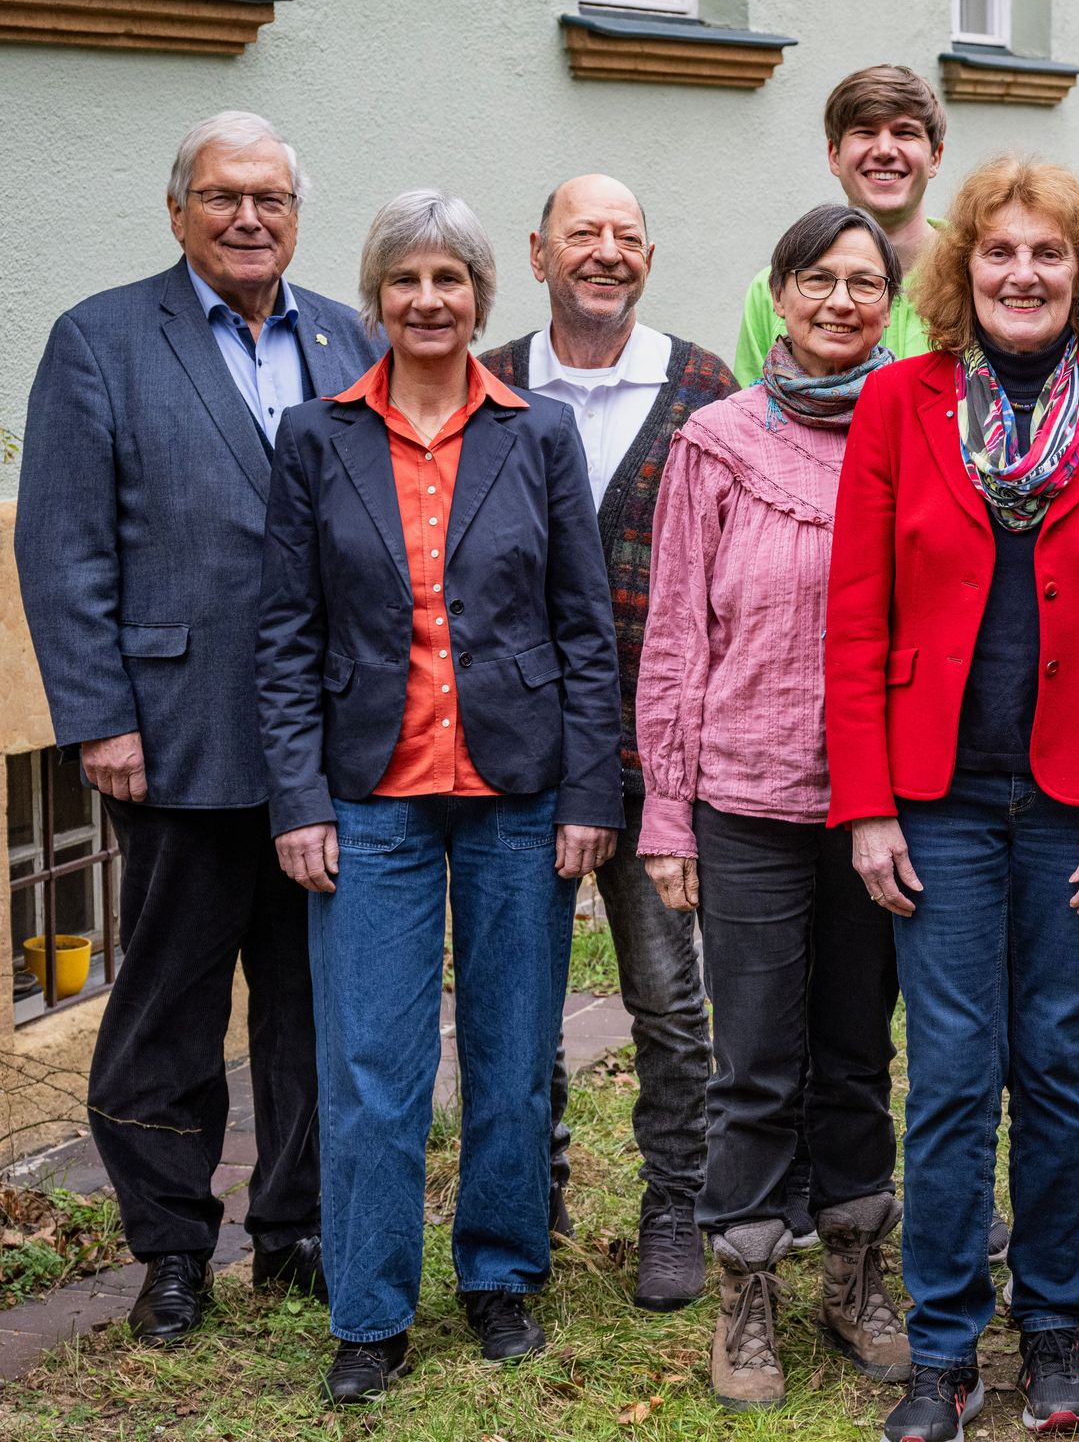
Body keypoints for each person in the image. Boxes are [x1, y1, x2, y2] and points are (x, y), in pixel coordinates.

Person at [825, 158, 1079, 1442]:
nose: (1024, 274)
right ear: (961, 270)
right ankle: (941, 1350)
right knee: (946, 1079)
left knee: (1054, 1068)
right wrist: (868, 803)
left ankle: (1053, 1335)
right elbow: (857, 618)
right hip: (933, 797)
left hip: (1077, 800)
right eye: (1000, 253)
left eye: (1050, 254)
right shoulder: (899, 403)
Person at [15, 112, 381, 1343]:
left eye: (271, 198)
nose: (248, 218)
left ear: (296, 213)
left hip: (329, 748)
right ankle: (172, 1247)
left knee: (310, 1003)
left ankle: (297, 1230)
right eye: (223, 196)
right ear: (177, 211)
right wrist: (98, 716)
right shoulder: (103, 339)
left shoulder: (350, 335)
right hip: (174, 738)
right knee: (169, 1007)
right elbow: (59, 546)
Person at [255, 191, 622, 1404]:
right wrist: (298, 799)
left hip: (518, 790)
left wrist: (589, 789)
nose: (427, 301)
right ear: (376, 297)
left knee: (515, 1052)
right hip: (369, 799)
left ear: (482, 297)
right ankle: (369, 1309)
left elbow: (583, 626)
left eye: (449, 281)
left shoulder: (541, 432)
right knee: (372, 1061)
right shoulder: (317, 437)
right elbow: (287, 634)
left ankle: (501, 1276)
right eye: (405, 280)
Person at [638, 205, 910, 1409]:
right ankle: (747, 1280)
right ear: (781, 294)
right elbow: (673, 639)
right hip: (743, 796)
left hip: (881, 803)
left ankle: (856, 1269)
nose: (842, 300)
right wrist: (664, 808)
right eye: (819, 279)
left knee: (855, 1051)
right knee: (753, 1058)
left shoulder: (921, 431)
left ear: (890, 303)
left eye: (865, 282)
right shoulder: (716, 440)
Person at [479, 173, 737, 1308]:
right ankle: (526, 1191)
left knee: (672, 1000)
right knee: (513, 995)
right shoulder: (481, 384)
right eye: (583, 232)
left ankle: (677, 1199)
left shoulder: (703, 392)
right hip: (511, 755)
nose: (606, 251)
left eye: (628, 235)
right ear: (537, 254)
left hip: (658, 755)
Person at [733, 66, 947, 385]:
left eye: (905, 132)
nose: (885, 150)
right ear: (834, 154)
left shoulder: (978, 278)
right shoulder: (776, 288)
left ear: (935, 157)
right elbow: (749, 418)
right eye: (864, 131)